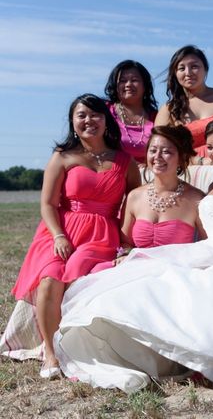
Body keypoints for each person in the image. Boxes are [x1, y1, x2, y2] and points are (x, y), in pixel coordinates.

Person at [54, 116, 213, 393]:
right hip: (209, 251)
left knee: (210, 286)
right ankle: (144, 353)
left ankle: (206, 361)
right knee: (155, 282)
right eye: (211, 147)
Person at [0, 94, 140, 379]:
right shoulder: (62, 157)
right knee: (50, 279)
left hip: (102, 233)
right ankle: (51, 353)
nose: (89, 120)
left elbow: (134, 201)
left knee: (76, 277)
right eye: (82, 115)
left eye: (95, 114)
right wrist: (58, 236)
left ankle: (78, 348)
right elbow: (48, 204)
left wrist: (126, 238)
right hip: (61, 231)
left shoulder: (125, 161)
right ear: (73, 122)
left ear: (106, 119)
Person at [116, 125, 205, 259]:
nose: (157, 157)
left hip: (178, 271)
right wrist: (123, 256)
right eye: (153, 150)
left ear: (181, 158)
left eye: (166, 152)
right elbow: (125, 243)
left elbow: (207, 244)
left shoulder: (196, 199)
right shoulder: (134, 196)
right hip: (137, 269)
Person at [155, 45, 213, 163]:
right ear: (175, 73)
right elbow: (157, 148)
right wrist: (198, 161)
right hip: (188, 172)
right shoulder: (168, 109)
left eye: (194, 66)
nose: (188, 73)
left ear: (205, 69)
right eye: (182, 68)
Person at [105, 60, 158, 165]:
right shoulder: (104, 111)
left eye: (134, 80)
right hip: (113, 172)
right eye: (123, 81)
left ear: (145, 86)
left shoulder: (157, 117)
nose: (128, 84)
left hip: (149, 175)